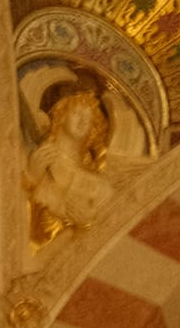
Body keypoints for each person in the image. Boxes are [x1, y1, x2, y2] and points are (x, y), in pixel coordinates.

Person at [23, 69, 118, 245]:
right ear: (62, 112)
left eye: (89, 118)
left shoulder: (97, 184)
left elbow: (108, 234)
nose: (83, 121)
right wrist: (31, 178)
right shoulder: (39, 156)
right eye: (77, 113)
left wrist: (86, 223)